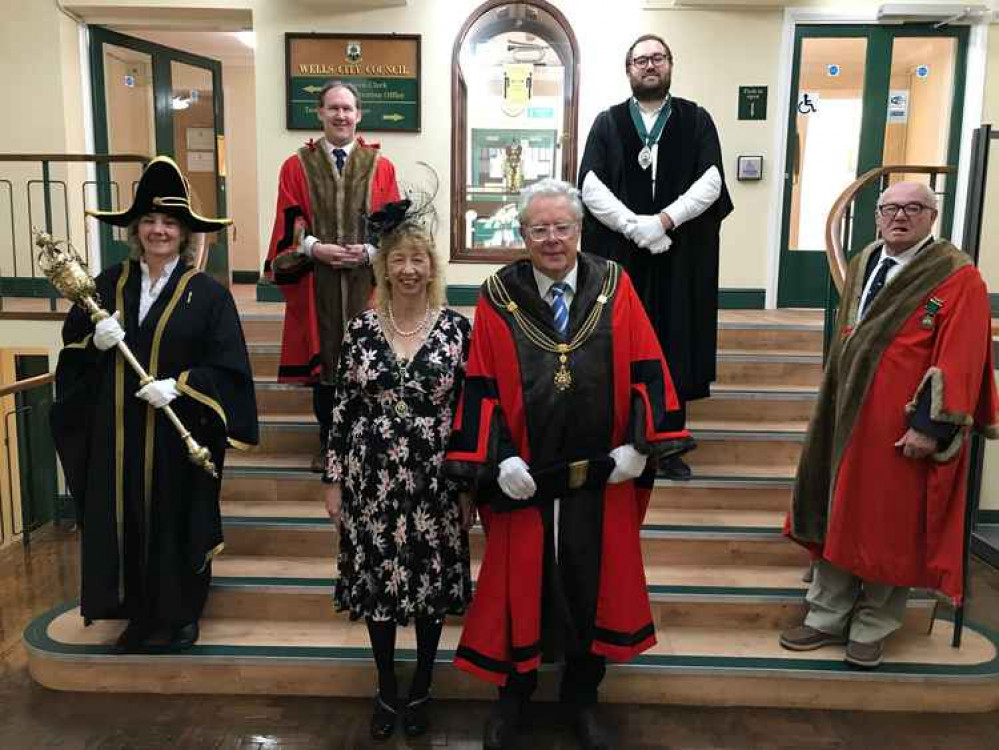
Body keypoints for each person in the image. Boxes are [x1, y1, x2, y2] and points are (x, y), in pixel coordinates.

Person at [445, 179, 693, 750]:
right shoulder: (497, 294)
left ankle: (583, 698)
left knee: (593, 585)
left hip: (601, 475)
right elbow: (479, 382)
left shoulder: (614, 283)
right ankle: (513, 699)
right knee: (519, 585)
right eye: (539, 229)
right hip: (523, 477)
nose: (552, 239)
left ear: (580, 230)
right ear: (522, 234)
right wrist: (499, 455)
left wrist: (640, 441)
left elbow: (646, 363)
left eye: (562, 227)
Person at [780, 181, 998, 669]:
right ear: (877, 216)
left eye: (913, 208)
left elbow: (962, 356)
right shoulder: (863, 261)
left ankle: (873, 625)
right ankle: (826, 615)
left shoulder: (957, 276)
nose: (900, 216)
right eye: (890, 208)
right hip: (844, 416)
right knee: (837, 511)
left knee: (885, 526)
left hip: (898, 428)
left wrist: (930, 425)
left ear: (931, 217)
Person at [50, 156, 258, 652]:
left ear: (185, 232)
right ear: (135, 228)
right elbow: (73, 352)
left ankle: (182, 614)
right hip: (118, 434)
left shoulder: (207, 295)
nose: (158, 230)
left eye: (168, 222)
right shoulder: (104, 286)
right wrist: (93, 344)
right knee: (127, 521)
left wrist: (181, 386)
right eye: (149, 220)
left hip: (176, 433)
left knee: (174, 520)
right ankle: (137, 614)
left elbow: (229, 368)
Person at [320, 208, 473, 741]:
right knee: (377, 584)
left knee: (430, 586)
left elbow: (469, 412)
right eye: (398, 260)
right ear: (383, 269)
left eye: (418, 259)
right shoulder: (361, 329)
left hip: (436, 478)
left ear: (432, 269)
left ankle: (424, 684)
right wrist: (334, 480)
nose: (408, 269)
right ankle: (387, 686)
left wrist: (468, 484)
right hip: (371, 478)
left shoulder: (457, 329)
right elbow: (342, 407)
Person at [578, 34, 733, 480]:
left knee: (674, 341)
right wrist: (636, 228)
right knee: (618, 342)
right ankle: (622, 436)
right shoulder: (608, 123)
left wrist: (663, 222)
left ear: (670, 65)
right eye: (641, 59)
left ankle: (667, 443)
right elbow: (590, 185)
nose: (650, 65)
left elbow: (711, 182)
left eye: (658, 58)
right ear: (628, 69)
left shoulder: (695, 119)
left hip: (679, 257)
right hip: (619, 257)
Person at [265, 80, 400, 471]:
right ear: (320, 113)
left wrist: (370, 251)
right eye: (333, 108)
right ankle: (329, 443)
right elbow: (288, 220)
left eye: (347, 109)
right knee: (326, 365)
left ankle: (364, 444)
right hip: (316, 282)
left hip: (366, 283)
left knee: (367, 361)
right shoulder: (296, 166)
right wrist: (313, 248)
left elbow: (390, 223)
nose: (341, 115)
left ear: (358, 115)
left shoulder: (381, 166)